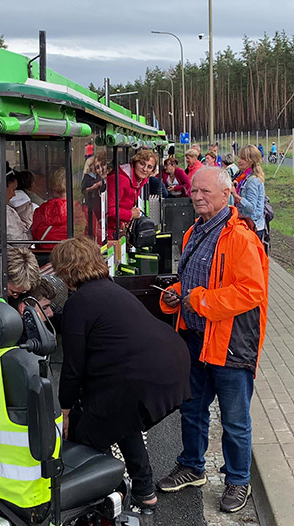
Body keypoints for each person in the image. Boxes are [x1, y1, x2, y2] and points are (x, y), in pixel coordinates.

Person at [157, 167, 268, 514]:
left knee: (235, 420)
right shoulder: (193, 232)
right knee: (191, 408)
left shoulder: (241, 238)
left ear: (226, 194)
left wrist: (201, 301)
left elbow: (252, 291)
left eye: (205, 191)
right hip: (195, 340)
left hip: (231, 344)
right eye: (194, 191)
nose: (197, 196)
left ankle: (238, 480)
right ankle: (192, 466)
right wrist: (177, 295)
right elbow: (189, 282)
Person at [51, 236, 191, 510]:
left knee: (86, 436)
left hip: (141, 377)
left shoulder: (79, 303)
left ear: (66, 271)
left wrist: (65, 410)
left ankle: (103, 500)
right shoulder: (111, 289)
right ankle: (144, 490)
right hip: (171, 364)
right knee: (123, 419)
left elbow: (73, 367)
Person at [106, 149, 157, 239]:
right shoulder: (120, 180)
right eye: (142, 164)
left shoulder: (140, 181)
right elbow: (108, 210)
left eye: (149, 167)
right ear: (134, 163)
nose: (145, 169)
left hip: (117, 230)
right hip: (106, 232)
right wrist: (130, 214)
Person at [31, 167, 86, 249]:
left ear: (51, 187)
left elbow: (35, 233)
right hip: (74, 252)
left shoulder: (41, 210)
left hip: (45, 252)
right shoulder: (79, 210)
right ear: (73, 186)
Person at [230, 145, 266, 240]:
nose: (238, 161)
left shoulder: (252, 180)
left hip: (253, 226)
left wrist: (235, 195)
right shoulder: (244, 177)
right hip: (248, 225)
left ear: (250, 161)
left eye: (242, 158)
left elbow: (251, 207)